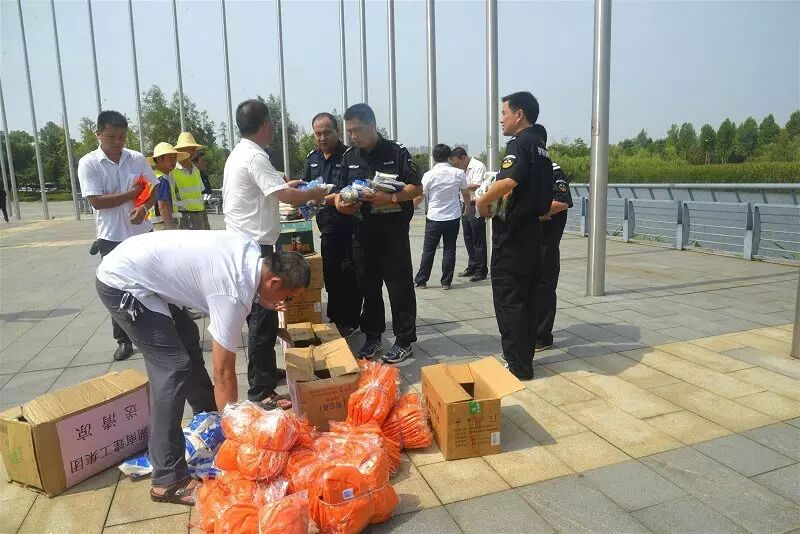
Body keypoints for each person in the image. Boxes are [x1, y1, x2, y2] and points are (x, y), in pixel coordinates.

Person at [95, 230, 310, 505]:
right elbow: (223, 373)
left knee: (187, 338)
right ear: (274, 281)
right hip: (123, 283)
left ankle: (206, 415)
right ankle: (167, 479)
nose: (285, 303)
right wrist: (236, 434)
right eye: (288, 297)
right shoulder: (232, 293)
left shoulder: (251, 251)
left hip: (142, 267)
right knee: (172, 369)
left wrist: (265, 299)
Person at [224, 99, 327, 407]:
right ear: (266, 125)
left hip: (244, 243)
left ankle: (266, 372)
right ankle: (261, 390)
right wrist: (314, 193)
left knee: (263, 316)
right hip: (253, 246)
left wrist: (291, 187)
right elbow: (286, 195)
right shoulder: (255, 156)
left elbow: (272, 190)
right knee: (262, 318)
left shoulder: (240, 153)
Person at [335, 103, 422, 364]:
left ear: (372, 125)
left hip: (392, 233)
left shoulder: (396, 152)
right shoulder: (350, 156)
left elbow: (416, 188)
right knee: (368, 287)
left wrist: (391, 198)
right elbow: (340, 192)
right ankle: (373, 335)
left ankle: (404, 340)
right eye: (350, 131)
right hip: (362, 232)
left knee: (399, 287)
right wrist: (343, 204)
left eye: (357, 130)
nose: (353, 136)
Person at [476, 92, 553, 380]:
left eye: (504, 113)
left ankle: (517, 364)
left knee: (510, 299)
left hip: (514, 235)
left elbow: (508, 181)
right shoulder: (541, 148)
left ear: (519, 114)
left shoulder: (519, 143)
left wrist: (482, 201)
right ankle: (524, 357)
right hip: (534, 232)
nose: (501, 119)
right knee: (529, 298)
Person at [77, 110, 158, 362]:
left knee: (151, 283)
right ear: (98, 134)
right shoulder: (89, 163)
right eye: (111, 136)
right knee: (117, 289)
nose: (117, 141)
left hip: (142, 233)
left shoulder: (136, 159)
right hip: (111, 238)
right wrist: (132, 194)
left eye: (122, 136)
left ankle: (156, 332)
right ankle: (123, 340)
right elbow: (97, 201)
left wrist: (144, 207)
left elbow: (153, 189)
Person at [302, 112, 362, 336]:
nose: (322, 138)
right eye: (318, 133)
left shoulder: (350, 156)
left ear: (337, 132)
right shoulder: (312, 159)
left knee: (350, 275)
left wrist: (321, 198)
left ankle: (352, 320)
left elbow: (352, 191)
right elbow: (305, 187)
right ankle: (336, 318)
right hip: (327, 228)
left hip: (350, 227)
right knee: (331, 275)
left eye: (327, 133)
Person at [413, 144, 470, 290]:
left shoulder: (429, 174)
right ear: (449, 157)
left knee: (428, 250)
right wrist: (467, 206)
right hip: (453, 216)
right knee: (450, 249)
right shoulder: (458, 173)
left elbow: (420, 195)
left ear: (434, 157)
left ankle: (421, 280)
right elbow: (465, 192)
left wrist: (412, 207)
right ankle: (446, 282)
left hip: (434, 217)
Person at [536, 133, 573, 349]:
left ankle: (542, 336)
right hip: (528, 240)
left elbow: (562, 201)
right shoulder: (528, 170)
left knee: (544, 287)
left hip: (546, 241)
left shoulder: (554, 170)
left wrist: (536, 212)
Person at [449, 147, 487, 281]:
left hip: (475, 205)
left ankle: (481, 270)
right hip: (464, 204)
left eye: (456, 162)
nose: (456, 166)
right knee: (468, 237)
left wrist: (458, 185)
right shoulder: (460, 169)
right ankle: (472, 266)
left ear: (464, 158)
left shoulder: (478, 166)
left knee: (478, 238)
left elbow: (476, 185)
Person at [173, 132, 211, 230]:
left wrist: (205, 220)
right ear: (179, 150)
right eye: (189, 148)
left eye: (194, 149)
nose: (192, 152)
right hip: (183, 217)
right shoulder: (173, 171)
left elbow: (200, 196)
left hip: (199, 216)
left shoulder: (196, 171)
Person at [147, 142, 188, 231]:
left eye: (175, 157)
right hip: (162, 225)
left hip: (156, 224)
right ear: (158, 159)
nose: (173, 160)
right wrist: (171, 227)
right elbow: (163, 207)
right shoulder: (162, 179)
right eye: (170, 157)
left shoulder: (155, 176)